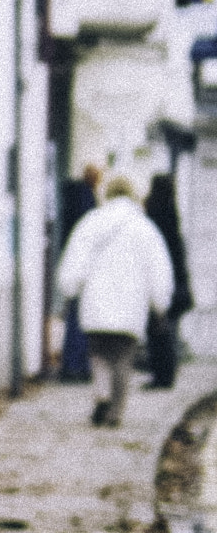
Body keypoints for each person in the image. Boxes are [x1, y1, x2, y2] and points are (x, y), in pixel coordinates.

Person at [56, 174, 176, 426]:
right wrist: (160, 303)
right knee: (122, 360)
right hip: (130, 307)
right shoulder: (144, 228)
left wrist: (69, 289)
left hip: (96, 304)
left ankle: (101, 392)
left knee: (98, 354)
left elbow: (75, 259)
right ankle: (115, 414)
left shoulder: (91, 222)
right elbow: (158, 269)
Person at [143, 171, 193, 388]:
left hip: (162, 282)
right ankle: (167, 374)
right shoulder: (173, 217)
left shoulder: (152, 216)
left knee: (158, 332)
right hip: (179, 284)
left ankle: (161, 376)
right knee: (169, 331)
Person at [57, 165, 100, 382]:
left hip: (76, 270)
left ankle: (73, 364)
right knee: (78, 320)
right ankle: (76, 365)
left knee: (76, 317)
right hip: (83, 273)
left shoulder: (75, 196)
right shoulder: (86, 199)